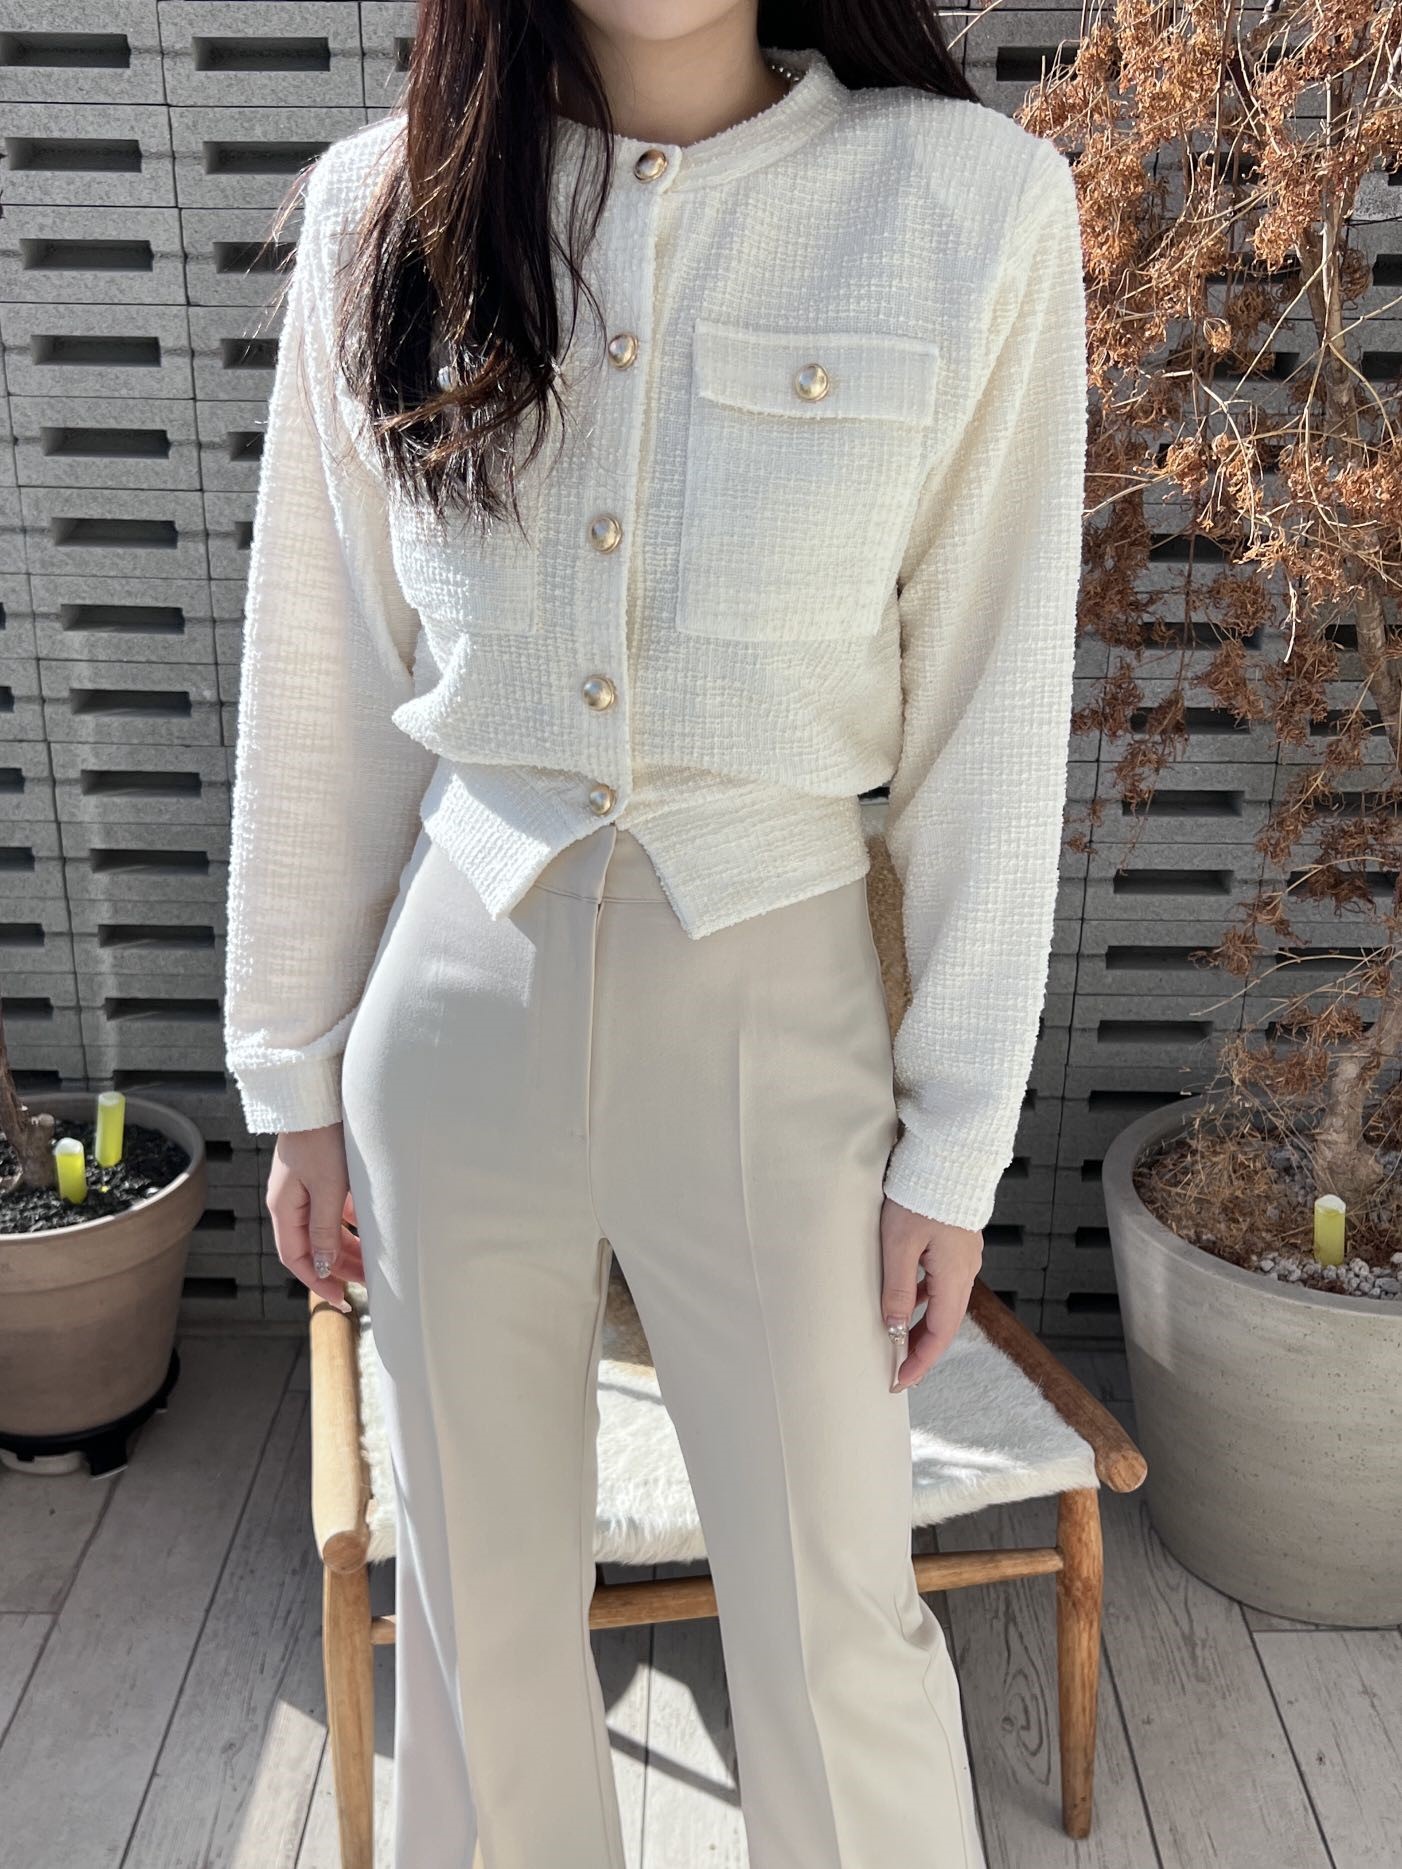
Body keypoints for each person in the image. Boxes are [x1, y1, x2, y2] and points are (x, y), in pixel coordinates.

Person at [222, 2, 1088, 1864]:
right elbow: (322, 670)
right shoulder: (385, 207)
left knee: (835, 1624)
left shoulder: (965, 207)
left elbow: (994, 711)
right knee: (478, 1620)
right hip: (455, 1007)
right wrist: (292, 1070)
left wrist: (954, 1142)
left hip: (775, 1004)